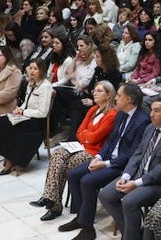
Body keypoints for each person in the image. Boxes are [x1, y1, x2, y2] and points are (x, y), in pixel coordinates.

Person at [58, 83, 150, 240]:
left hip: (121, 165)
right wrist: (99, 157)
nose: (116, 98)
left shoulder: (142, 121)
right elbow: (110, 141)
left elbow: (132, 154)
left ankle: (88, 229)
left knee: (87, 181)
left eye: (119, 95)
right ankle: (81, 217)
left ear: (128, 99)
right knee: (73, 174)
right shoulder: (121, 115)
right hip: (107, 158)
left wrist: (105, 164)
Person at [100, 99, 161, 240]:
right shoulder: (150, 128)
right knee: (106, 195)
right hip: (136, 175)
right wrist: (126, 177)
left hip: (158, 184)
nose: (151, 114)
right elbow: (137, 155)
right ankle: (132, 234)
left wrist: (136, 183)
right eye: (151, 110)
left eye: (156, 111)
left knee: (129, 201)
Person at [32, 80, 117, 220]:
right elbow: (79, 131)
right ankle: (50, 199)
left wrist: (86, 137)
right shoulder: (93, 109)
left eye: (99, 91)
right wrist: (86, 137)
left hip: (95, 153)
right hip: (81, 146)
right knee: (57, 155)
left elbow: (95, 137)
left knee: (66, 165)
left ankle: (54, 206)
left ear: (108, 95)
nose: (94, 93)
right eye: (94, 90)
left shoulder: (112, 114)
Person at [0, 58, 53, 175]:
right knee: (1, 120)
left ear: (42, 71)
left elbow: (42, 112)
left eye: (36, 69)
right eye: (30, 68)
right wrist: (20, 109)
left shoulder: (45, 86)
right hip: (27, 116)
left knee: (7, 124)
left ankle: (9, 159)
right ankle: (8, 156)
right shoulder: (31, 83)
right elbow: (26, 102)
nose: (32, 71)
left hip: (37, 122)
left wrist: (24, 112)